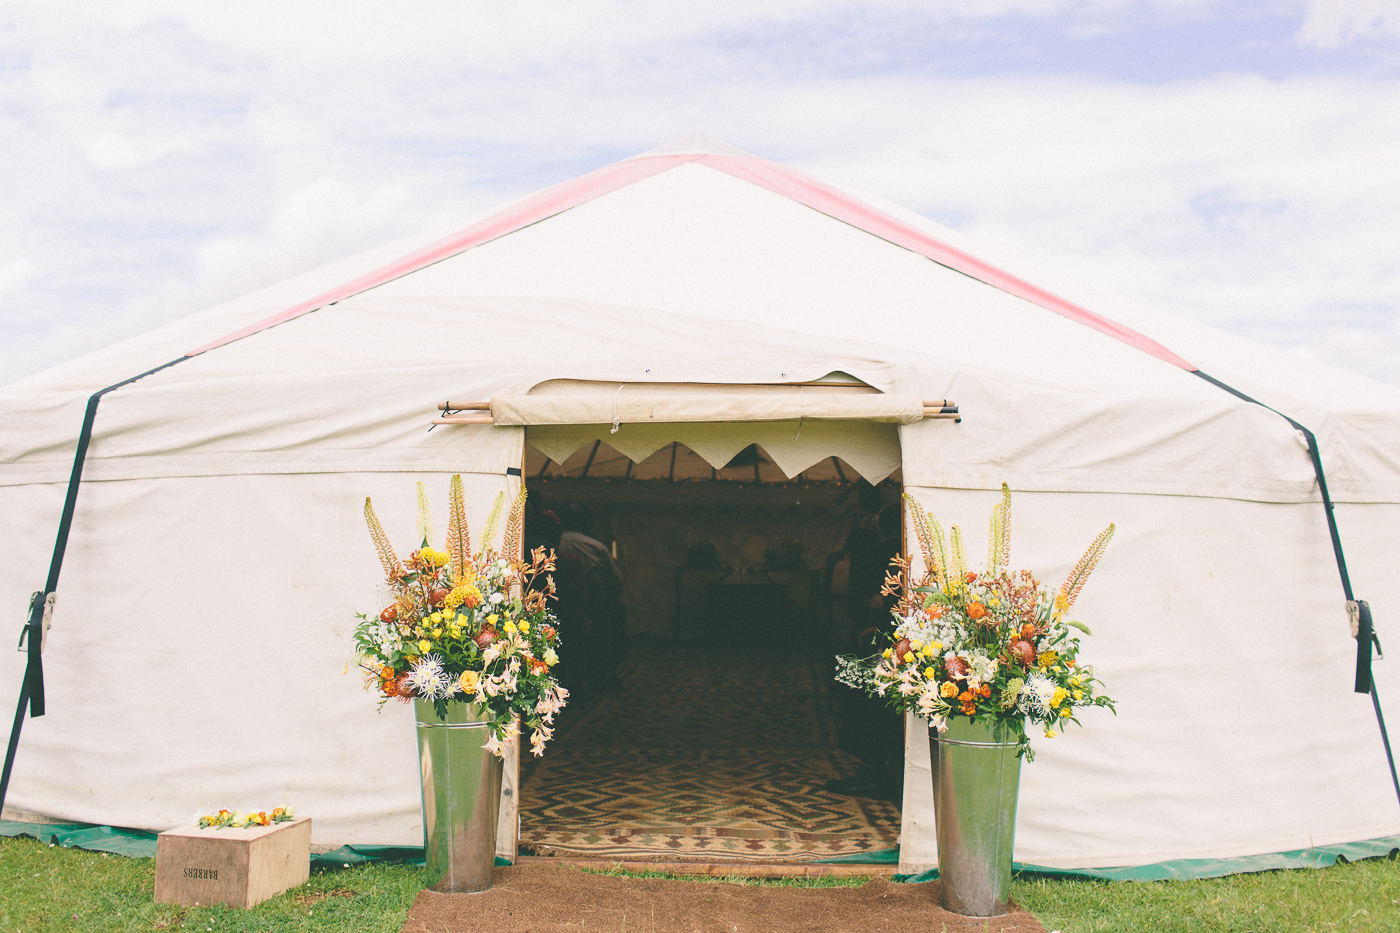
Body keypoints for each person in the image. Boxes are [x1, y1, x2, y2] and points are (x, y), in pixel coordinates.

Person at [826, 488, 905, 801]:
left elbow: (883, 600)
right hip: (887, 636)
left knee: (865, 699)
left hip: (885, 639)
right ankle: (875, 767)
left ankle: (873, 768)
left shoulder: (880, 550)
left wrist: (878, 621)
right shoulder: (893, 550)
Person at [557, 503, 627, 693]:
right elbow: (616, 578)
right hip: (593, 603)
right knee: (601, 638)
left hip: (559, 603)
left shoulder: (554, 543)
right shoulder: (595, 546)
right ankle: (602, 676)